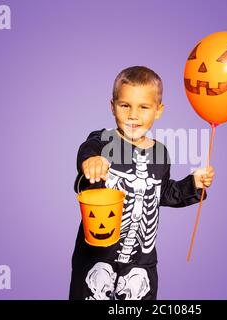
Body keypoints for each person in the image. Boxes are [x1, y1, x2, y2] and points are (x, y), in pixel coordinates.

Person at [69, 66, 215, 300]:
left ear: (158, 111)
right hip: (96, 259)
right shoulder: (103, 142)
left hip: (140, 264)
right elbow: (89, 149)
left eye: (144, 107)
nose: (133, 115)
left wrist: (193, 184)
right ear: (112, 106)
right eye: (125, 105)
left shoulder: (161, 153)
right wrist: (92, 161)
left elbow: (164, 192)